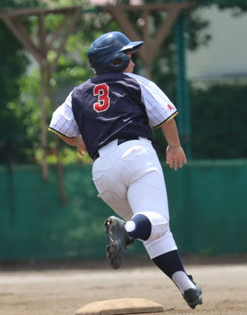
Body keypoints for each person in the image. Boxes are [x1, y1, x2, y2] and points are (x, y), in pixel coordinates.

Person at [48, 31, 202, 309]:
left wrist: (79, 141)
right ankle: (126, 231)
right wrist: (175, 146)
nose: (132, 60)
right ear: (117, 61)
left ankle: (187, 286)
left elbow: (58, 127)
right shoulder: (136, 82)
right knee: (154, 221)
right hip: (136, 154)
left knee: (151, 227)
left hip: (102, 170)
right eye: (128, 55)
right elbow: (165, 115)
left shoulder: (78, 92)